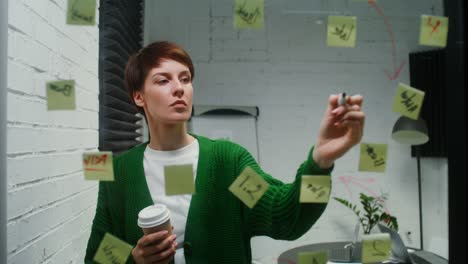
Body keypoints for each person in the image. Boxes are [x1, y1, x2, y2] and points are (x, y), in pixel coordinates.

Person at [85, 41, 365, 264]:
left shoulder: (227, 162)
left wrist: (320, 162)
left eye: (185, 78)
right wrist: (135, 260)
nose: (179, 88)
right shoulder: (120, 173)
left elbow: (285, 217)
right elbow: (100, 256)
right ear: (139, 96)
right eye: (163, 80)